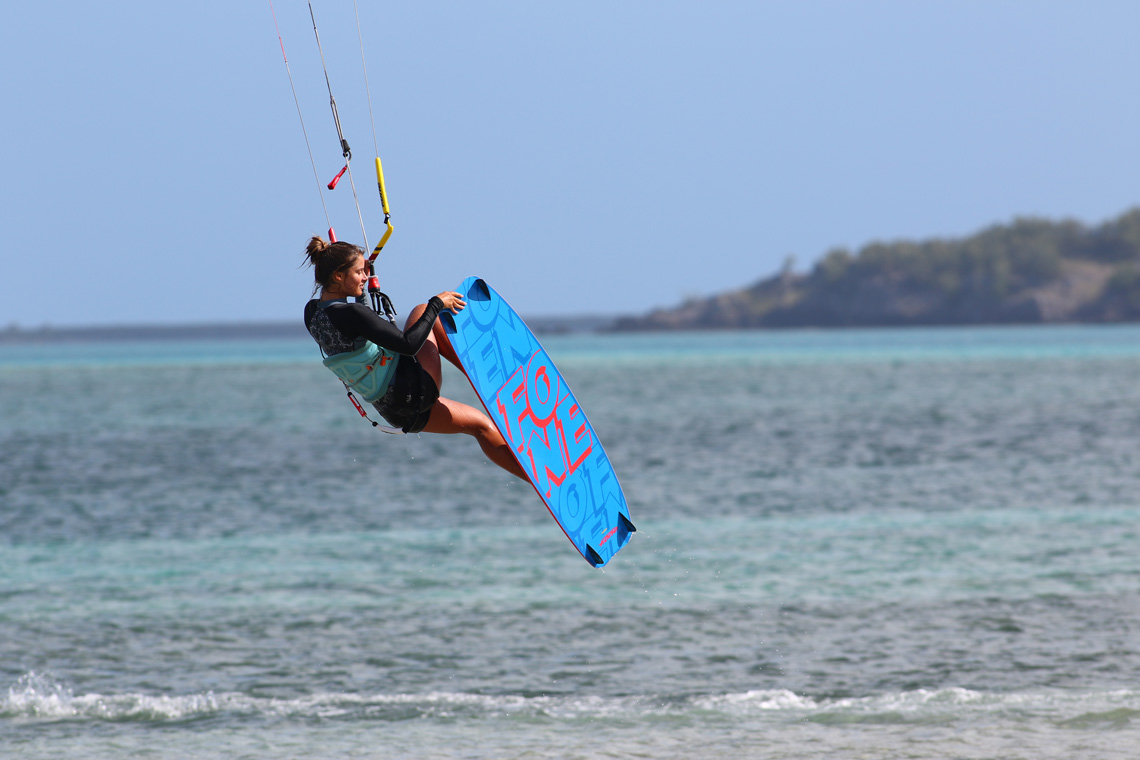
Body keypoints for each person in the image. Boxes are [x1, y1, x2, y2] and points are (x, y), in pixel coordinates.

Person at [303, 236, 526, 480]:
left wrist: (358, 288)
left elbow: (349, 328)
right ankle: (487, 378)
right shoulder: (353, 314)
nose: (365, 276)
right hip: (414, 389)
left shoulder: (311, 313)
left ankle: (533, 480)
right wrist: (436, 304)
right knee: (421, 311)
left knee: (481, 426)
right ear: (337, 275)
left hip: (397, 412)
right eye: (359, 272)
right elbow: (407, 345)